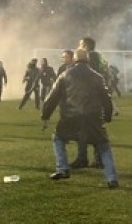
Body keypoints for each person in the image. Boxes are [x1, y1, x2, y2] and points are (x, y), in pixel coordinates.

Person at [42, 46, 119, 189]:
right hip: (93, 118)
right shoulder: (97, 77)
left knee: (58, 138)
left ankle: (62, 168)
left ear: (75, 60)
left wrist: (45, 115)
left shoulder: (65, 75)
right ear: (88, 60)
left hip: (71, 117)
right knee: (103, 145)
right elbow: (106, 98)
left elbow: (52, 97)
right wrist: (107, 117)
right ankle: (112, 178)